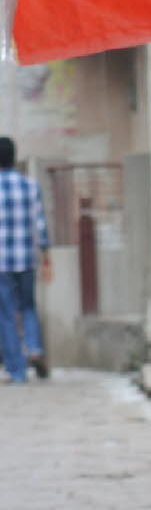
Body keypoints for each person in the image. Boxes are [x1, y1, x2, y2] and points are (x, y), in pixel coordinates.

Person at [0, 136, 51, 383]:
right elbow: (39, 225)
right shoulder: (30, 186)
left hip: (0, 264)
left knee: (7, 315)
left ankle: (17, 371)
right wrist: (46, 255)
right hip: (26, 259)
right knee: (28, 307)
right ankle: (35, 348)